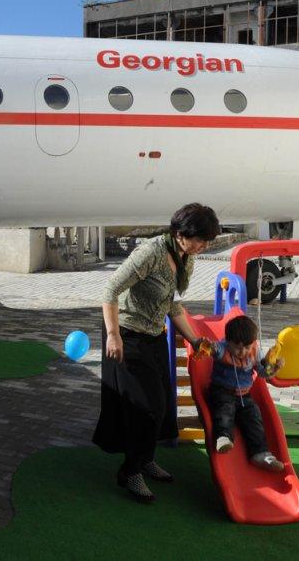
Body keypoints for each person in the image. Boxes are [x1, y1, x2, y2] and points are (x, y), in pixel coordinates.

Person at [93, 203, 220, 503]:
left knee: (164, 406)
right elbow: (110, 290)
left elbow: (169, 303)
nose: (204, 246)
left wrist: (194, 338)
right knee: (145, 407)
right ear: (180, 234)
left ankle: (146, 459)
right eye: (200, 239)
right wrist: (112, 336)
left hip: (152, 336)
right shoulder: (150, 253)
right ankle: (130, 472)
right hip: (125, 335)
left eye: (207, 241)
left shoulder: (183, 256)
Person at [202, 315, 285, 472]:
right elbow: (212, 349)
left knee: (254, 415)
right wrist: (205, 346)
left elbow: (261, 372)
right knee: (225, 411)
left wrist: (273, 369)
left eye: (247, 347)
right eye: (238, 347)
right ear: (228, 341)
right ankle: (223, 438)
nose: (243, 351)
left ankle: (260, 453)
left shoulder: (253, 351)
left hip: (244, 395)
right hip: (221, 391)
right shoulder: (222, 348)